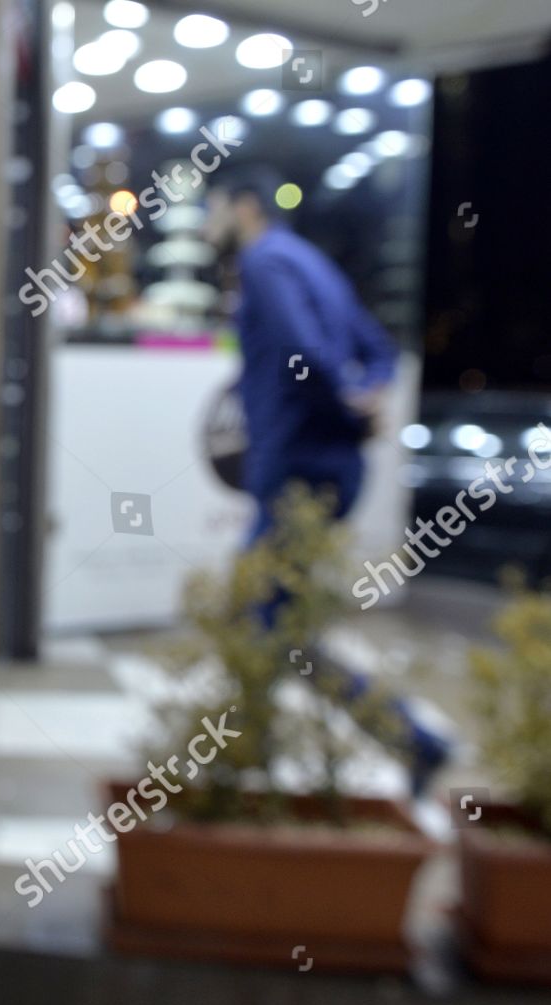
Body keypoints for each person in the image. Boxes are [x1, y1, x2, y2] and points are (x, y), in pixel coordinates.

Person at [204, 164, 452, 795]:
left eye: (212, 210)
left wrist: (345, 398)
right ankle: (400, 743)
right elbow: (378, 347)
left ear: (243, 209)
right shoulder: (312, 261)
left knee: (257, 616)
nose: (207, 226)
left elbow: (302, 353)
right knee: (274, 623)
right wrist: (365, 394)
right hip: (330, 468)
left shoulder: (262, 263)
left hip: (299, 468)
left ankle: (245, 767)